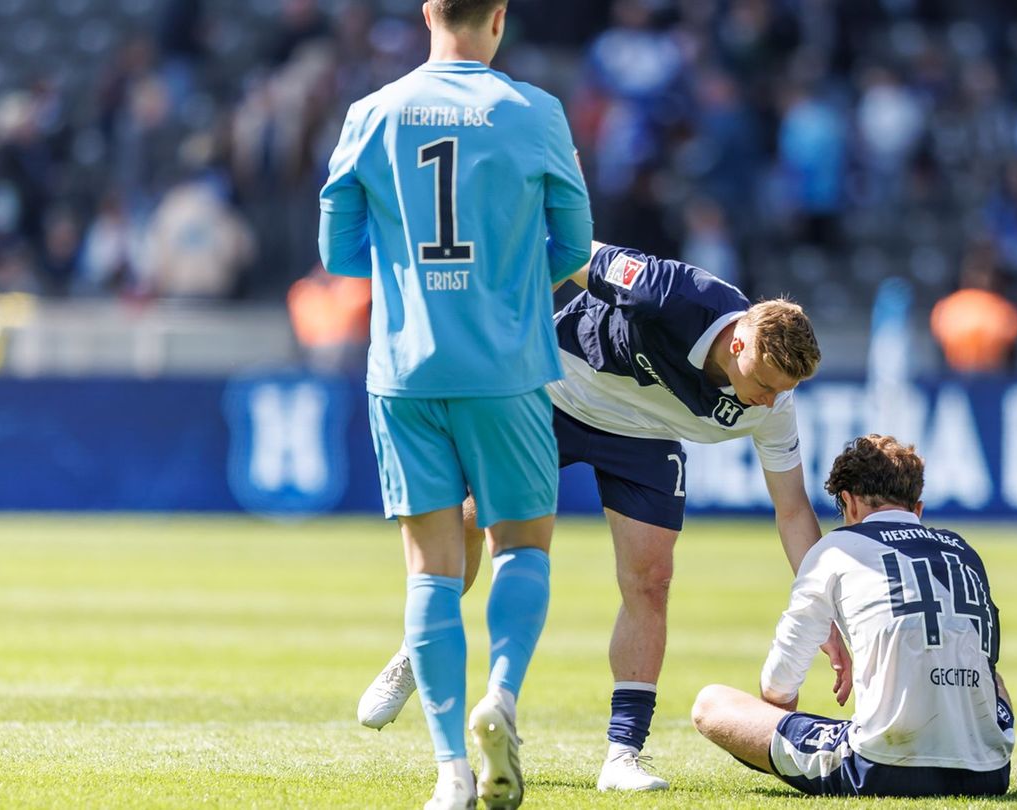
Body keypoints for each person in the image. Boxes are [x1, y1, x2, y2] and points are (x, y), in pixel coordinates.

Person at [357, 240, 852, 793]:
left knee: (651, 581)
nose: (769, 401)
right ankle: (420, 648)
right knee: (471, 519)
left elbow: (793, 511)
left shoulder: (774, 405)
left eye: (783, 391)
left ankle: (622, 756)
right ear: (738, 341)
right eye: (763, 384)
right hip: (555, 390)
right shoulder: (670, 291)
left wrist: (823, 612)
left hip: (644, 437)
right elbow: (564, 249)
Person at [316, 0, 593, 807]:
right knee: (521, 548)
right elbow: (575, 246)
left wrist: (415, 275)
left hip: (407, 371)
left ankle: (449, 774)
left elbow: (338, 252)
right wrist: (506, 286)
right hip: (507, 367)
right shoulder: (535, 112)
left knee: (431, 573)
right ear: (498, 17)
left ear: (427, 13)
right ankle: (500, 697)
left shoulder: (372, 113)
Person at [690, 435, 1014, 798]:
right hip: (989, 771)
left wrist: (780, 718)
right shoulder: (964, 550)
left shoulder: (836, 548)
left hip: (880, 767)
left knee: (711, 703)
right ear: (917, 509)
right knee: (993, 677)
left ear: (849, 502)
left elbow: (779, 685)